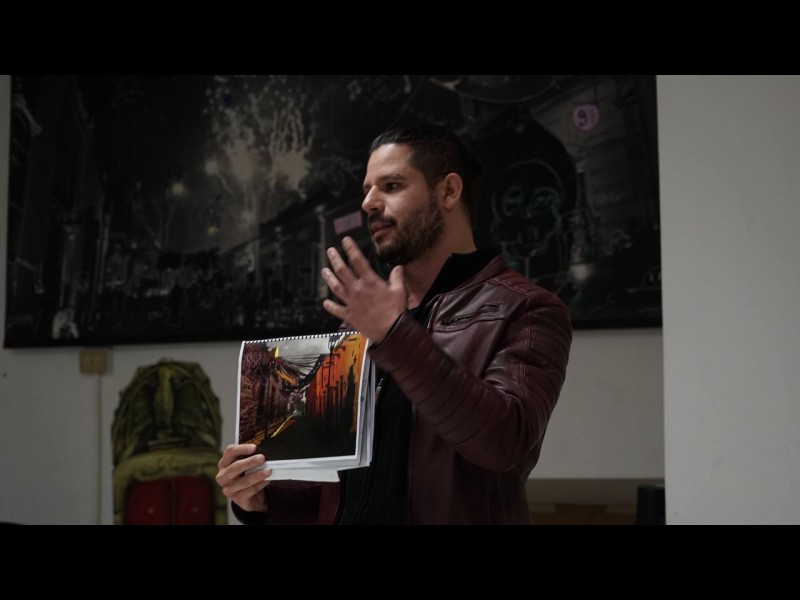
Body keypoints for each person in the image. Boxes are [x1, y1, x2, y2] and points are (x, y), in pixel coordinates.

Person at [216, 122, 573, 524]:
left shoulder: (526, 309)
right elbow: (345, 493)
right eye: (367, 189)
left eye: (391, 186)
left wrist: (395, 335)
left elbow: (505, 442)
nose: (368, 203)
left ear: (449, 191)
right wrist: (262, 500)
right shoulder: (363, 325)